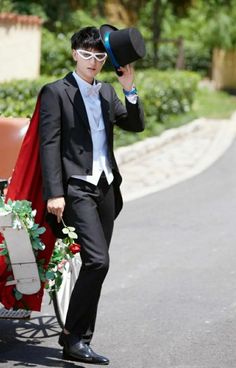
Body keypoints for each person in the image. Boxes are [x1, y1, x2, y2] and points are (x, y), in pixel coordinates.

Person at [39, 26, 145, 365]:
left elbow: (135, 124)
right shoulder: (55, 92)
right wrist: (55, 193)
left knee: (95, 266)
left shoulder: (107, 92)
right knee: (98, 261)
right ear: (74, 54)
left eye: (99, 56)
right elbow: (49, 144)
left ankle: (83, 339)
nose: (93, 61)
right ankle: (71, 336)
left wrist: (130, 89)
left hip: (106, 188)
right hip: (76, 189)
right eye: (87, 54)